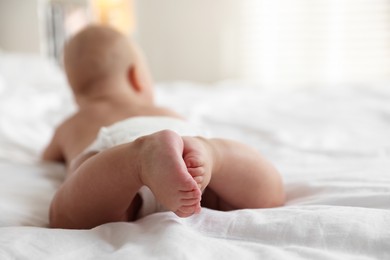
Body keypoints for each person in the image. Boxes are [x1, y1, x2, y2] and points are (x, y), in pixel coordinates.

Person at [43, 25, 285, 229]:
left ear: (75, 92)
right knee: (266, 195)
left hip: (114, 153)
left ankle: (138, 161)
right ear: (136, 76)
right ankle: (212, 155)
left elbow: (47, 157)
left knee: (67, 217)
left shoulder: (73, 123)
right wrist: (203, 150)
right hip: (182, 141)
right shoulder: (166, 113)